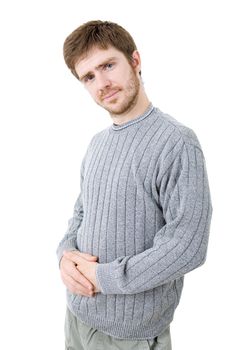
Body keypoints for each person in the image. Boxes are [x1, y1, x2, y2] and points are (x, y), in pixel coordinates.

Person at [57, 20, 212, 350]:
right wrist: (65, 257)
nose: (103, 83)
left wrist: (103, 277)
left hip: (130, 336)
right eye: (89, 76)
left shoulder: (176, 142)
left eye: (108, 65)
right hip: (76, 320)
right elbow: (81, 214)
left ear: (135, 61)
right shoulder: (97, 144)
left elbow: (188, 245)